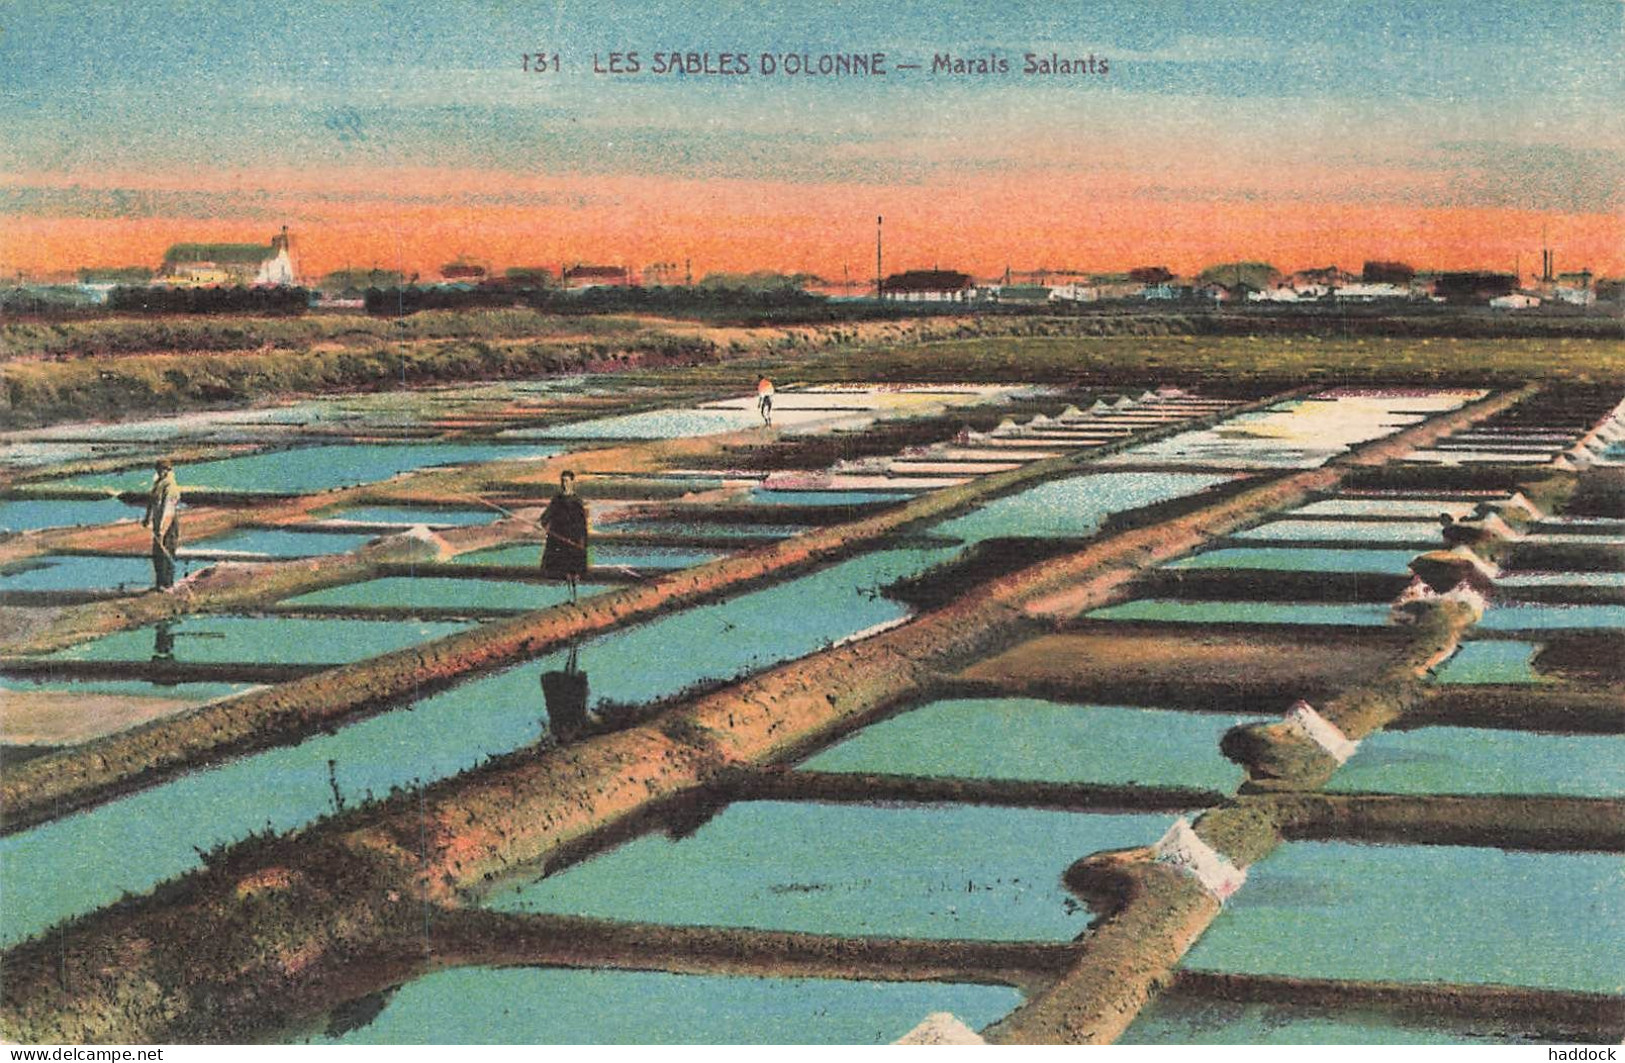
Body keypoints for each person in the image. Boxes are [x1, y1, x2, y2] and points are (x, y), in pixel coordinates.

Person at [539, 470, 588, 601]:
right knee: (564, 569)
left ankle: (576, 597)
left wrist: (582, 541)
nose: (564, 484)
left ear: (572, 482)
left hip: (573, 538)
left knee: (574, 569)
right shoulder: (557, 499)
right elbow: (546, 515)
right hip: (559, 538)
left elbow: (582, 523)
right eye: (562, 481)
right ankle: (570, 596)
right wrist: (544, 524)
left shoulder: (577, 501)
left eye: (566, 481)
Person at [140, 459, 181, 590]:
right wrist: (147, 518)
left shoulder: (171, 486)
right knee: (157, 553)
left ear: (169, 470)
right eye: (159, 470)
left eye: (164, 469)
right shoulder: (158, 483)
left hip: (168, 523)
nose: (161, 472)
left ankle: (168, 584)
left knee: (167, 551)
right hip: (159, 522)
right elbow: (152, 502)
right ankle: (159, 584)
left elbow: (168, 509)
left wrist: (162, 529)